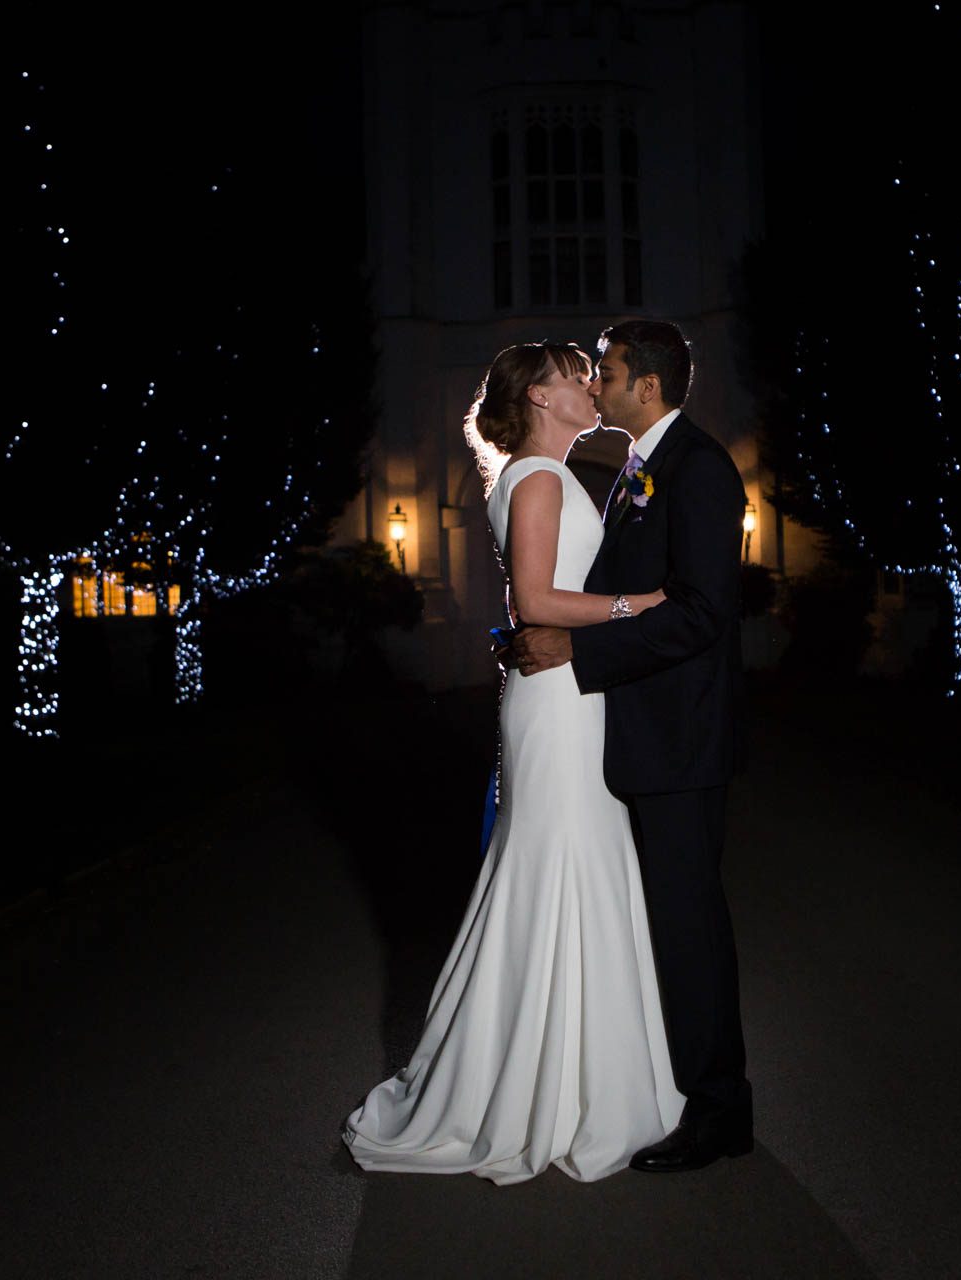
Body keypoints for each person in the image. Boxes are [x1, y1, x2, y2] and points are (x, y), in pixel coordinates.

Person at [341, 341, 683, 1184]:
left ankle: (582, 1074)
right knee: (562, 863)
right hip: (560, 702)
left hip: (568, 692)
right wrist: (649, 604)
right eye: (575, 374)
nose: (589, 383)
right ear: (538, 395)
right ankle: (552, 1086)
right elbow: (533, 600)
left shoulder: (547, 474)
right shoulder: (535, 479)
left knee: (579, 860)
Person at [508, 319, 752, 1173]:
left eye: (606, 371)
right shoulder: (635, 474)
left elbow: (700, 611)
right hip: (639, 734)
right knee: (665, 923)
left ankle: (720, 1110)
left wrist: (579, 648)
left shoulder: (701, 469)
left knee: (689, 925)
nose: (599, 381)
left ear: (644, 386)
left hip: (682, 738)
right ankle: (681, 1088)